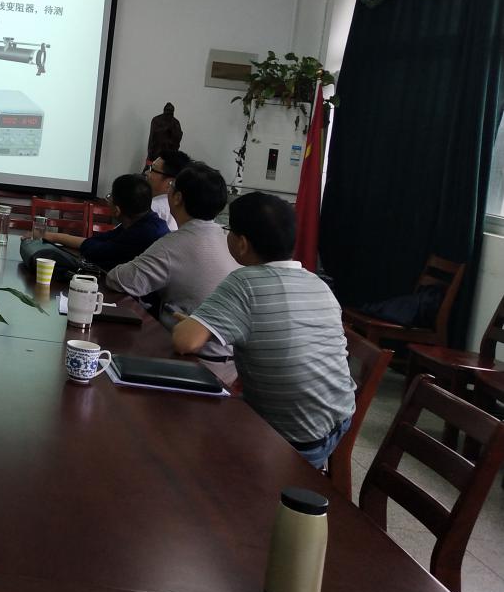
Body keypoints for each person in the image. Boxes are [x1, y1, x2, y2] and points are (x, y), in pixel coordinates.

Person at [171, 192, 355, 468]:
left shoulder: (245, 282)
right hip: (338, 421)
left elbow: (185, 342)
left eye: (229, 230)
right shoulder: (317, 283)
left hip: (291, 440)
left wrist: (190, 324)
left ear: (242, 244)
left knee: (184, 432)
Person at [105, 161, 238, 328]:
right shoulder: (228, 239)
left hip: (182, 340)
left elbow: (118, 280)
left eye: (171, 186)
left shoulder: (173, 245)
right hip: (226, 340)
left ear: (177, 198)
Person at [43, 174, 168, 271]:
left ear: (117, 210)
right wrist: (51, 236)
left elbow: (95, 251)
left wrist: (52, 237)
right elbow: (100, 239)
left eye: (110, 197)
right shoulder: (145, 221)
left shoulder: (142, 234)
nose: (108, 200)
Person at [147, 149, 191, 232]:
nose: (147, 173)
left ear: (171, 182)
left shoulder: (152, 208)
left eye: (152, 169)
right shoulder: (183, 210)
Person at [146, 102, 183, 167]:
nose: (169, 114)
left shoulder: (175, 122)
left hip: (169, 152)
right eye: (167, 111)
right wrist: (165, 129)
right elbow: (153, 135)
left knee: (166, 169)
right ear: (164, 110)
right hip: (156, 150)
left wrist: (173, 132)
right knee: (150, 168)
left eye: (171, 112)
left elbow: (179, 135)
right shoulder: (156, 120)